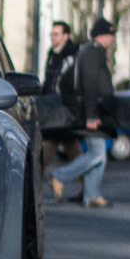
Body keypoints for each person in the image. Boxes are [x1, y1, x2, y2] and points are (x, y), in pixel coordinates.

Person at [50, 17, 118, 208]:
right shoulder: (91, 53)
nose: (113, 39)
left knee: (98, 154)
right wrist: (92, 115)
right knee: (96, 154)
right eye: (110, 35)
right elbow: (89, 85)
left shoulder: (94, 52)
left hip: (94, 112)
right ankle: (59, 176)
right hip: (90, 114)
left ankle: (92, 195)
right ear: (102, 35)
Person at [41, 20, 82, 171]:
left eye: (56, 34)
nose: (53, 37)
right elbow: (49, 81)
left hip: (65, 109)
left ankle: (88, 190)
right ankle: (88, 191)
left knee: (71, 150)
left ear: (66, 36)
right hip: (52, 108)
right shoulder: (52, 54)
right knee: (52, 149)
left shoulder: (73, 55)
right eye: (52, 34)